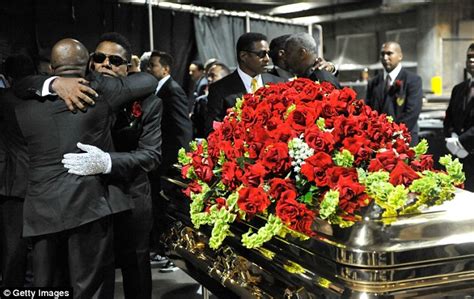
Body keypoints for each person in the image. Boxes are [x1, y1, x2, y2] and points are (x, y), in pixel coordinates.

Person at [14, 38, 157, 298]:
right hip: (89, 206)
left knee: (132, 269)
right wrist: (55, 83)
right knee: (84, 286)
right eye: (100, 58)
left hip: (128, 196)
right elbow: (21, 85)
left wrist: (109, 162)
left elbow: (151, 154)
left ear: (128, 65)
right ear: (88, 62)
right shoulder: (93, 91)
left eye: (115, 61)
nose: (105, 64)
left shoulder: (138, 98)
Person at [146, 50, 192, 272]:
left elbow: (183, 129)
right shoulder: (160, 90)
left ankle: (172, 255)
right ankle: (163, 251)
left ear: (165, 69)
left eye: (152, 65)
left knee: (172, 209)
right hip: (161, 161)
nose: (149, 69)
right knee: (161, 208)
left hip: (171, 162)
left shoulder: (172, 91)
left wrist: (181, 164)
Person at [0, 53, 36, 287]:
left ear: (7, 77)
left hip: (11, 185)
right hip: (41, 180)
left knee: (13, 250)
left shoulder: (3, 99)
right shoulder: (43, 100)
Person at [205, 32, 284, 136]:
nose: (267, 59)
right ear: (243, 56)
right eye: (261, 54)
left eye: (268, 53)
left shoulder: (279, 83)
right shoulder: (220, 89)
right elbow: (213, 130)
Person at [365, 41, 423, 146]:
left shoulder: (413, 80)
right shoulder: (373, 83)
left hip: (404, 140)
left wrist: (393, 134)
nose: (385, 57)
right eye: (382, 54)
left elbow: (412, 112)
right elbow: (369, 110)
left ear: (400, 56)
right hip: (379, 142)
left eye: (389, 53)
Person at [444, 43, 474, 191]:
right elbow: (448, 117)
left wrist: (461, 142)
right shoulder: (459, 89)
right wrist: (452, 137)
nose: (472, 61)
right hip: (459, 157)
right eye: (469, 57)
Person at [192, 62, 231, 138]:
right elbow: (195, 128)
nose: (209, 79)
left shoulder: (236, 100)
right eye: (208, 76)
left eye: (213, 76)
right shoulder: (200, 102)